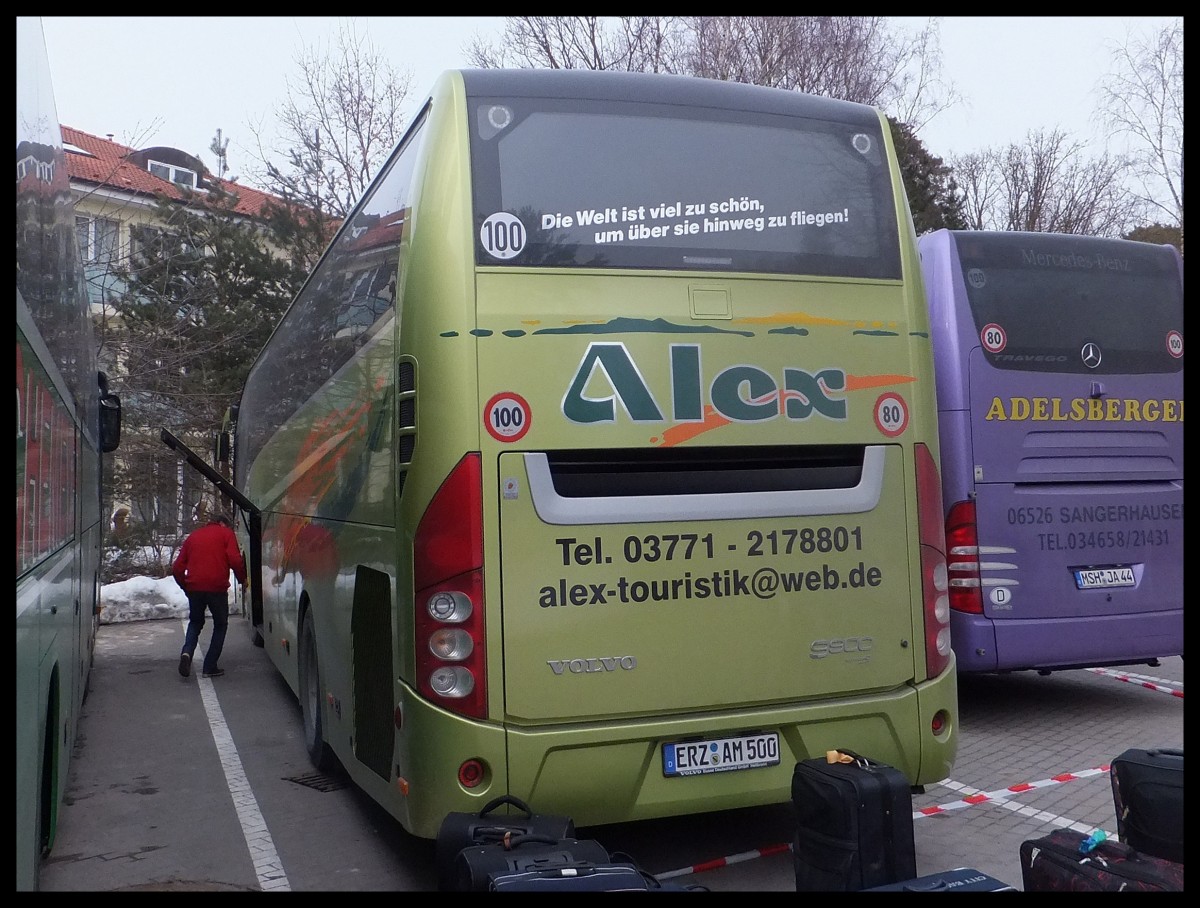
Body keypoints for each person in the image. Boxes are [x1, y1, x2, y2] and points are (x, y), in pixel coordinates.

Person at [173, 511, 246, 679]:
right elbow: (235, 560)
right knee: (220, 624)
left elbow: (177, 568)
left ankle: (187, 653)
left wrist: (186, 586)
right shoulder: (226, 534)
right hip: (216, 588)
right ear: (223, 524)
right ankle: (209, 666)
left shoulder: (193, 536)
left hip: (195, 588)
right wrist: (242, 579)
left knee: (196, 622)